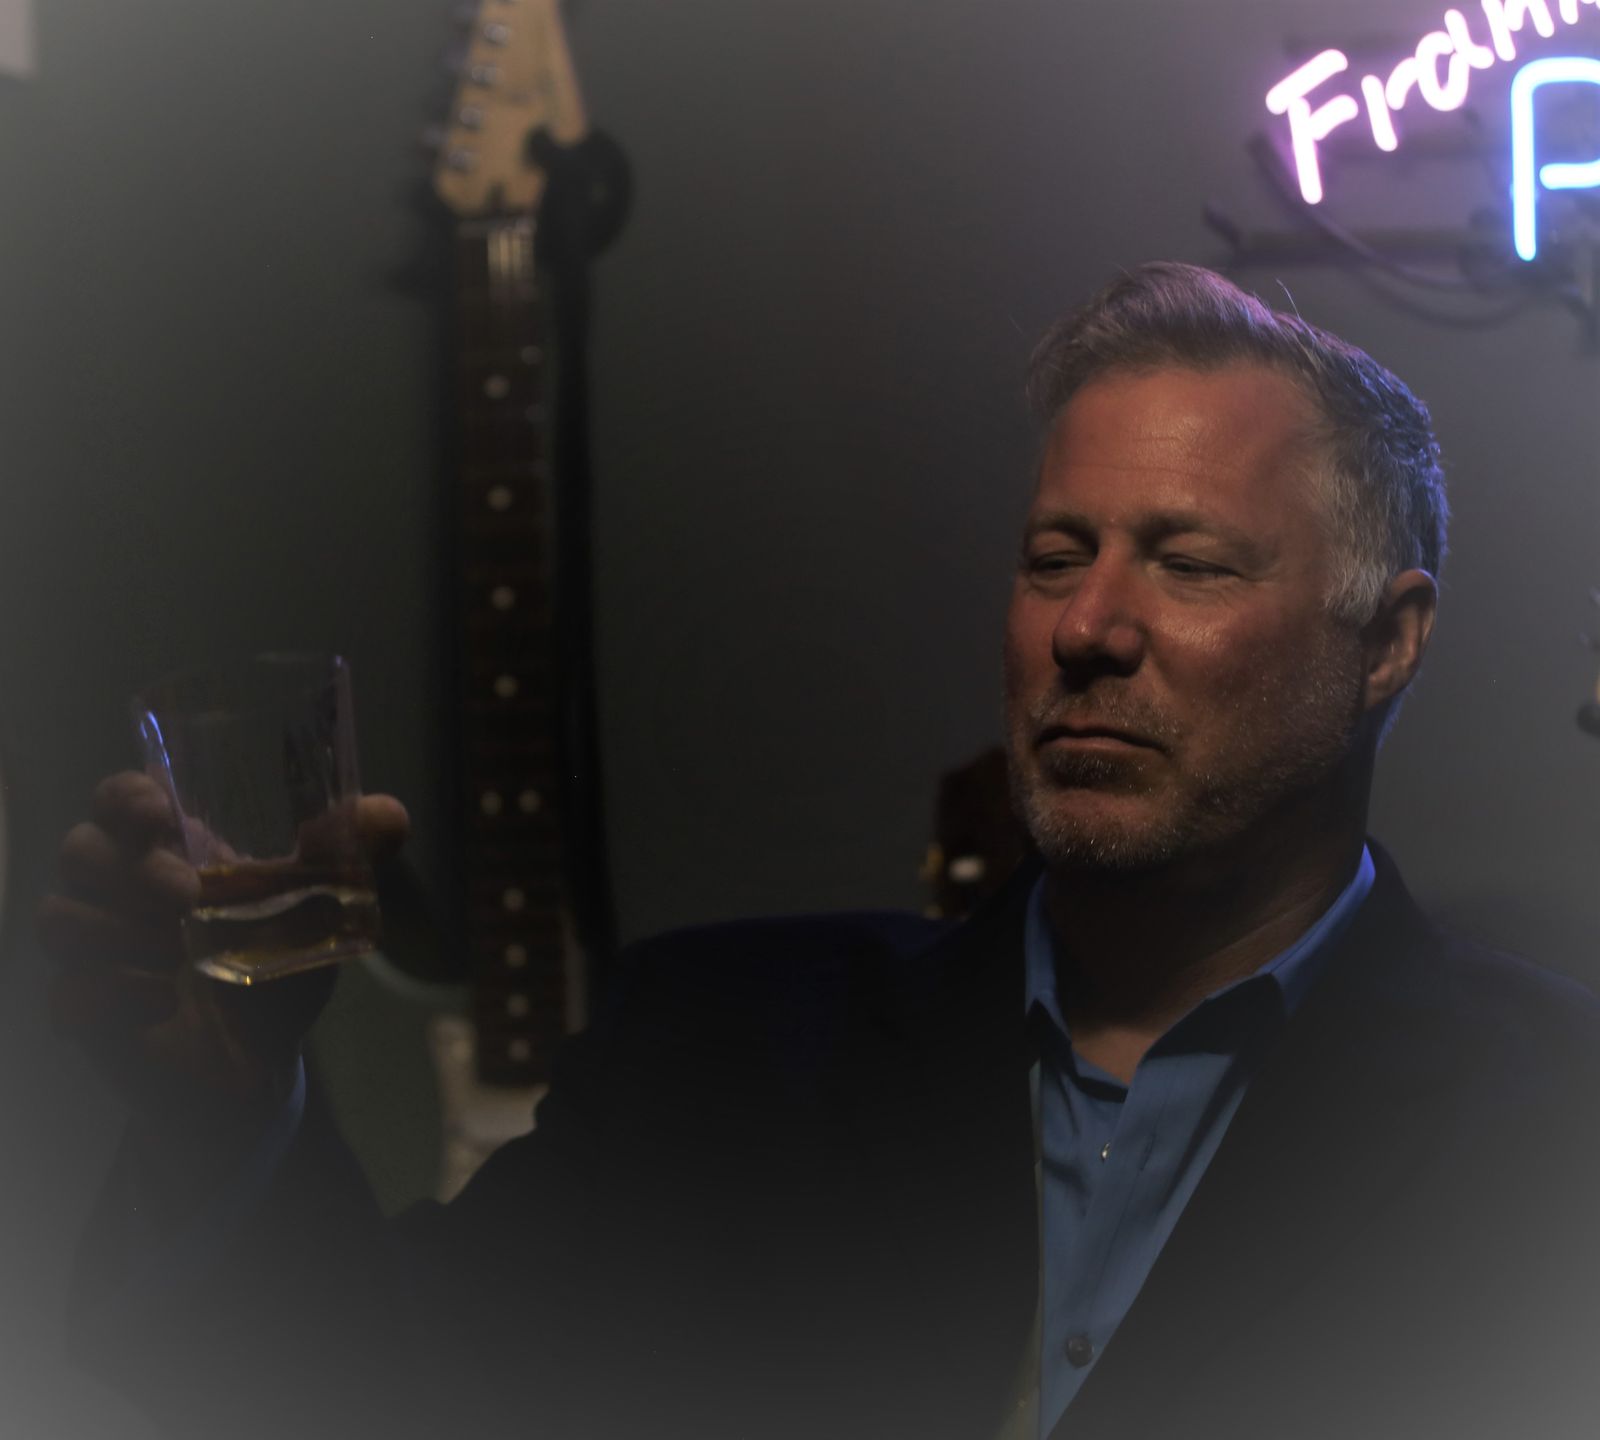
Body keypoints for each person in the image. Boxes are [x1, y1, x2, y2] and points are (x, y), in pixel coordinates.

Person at [41, 263, 1600, 1440]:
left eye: (1187, 562)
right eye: (1054, 555)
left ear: (1385, 642)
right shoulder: (711, 1048)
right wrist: (219, 1114)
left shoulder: (1555, 1145)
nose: (1086, 626)